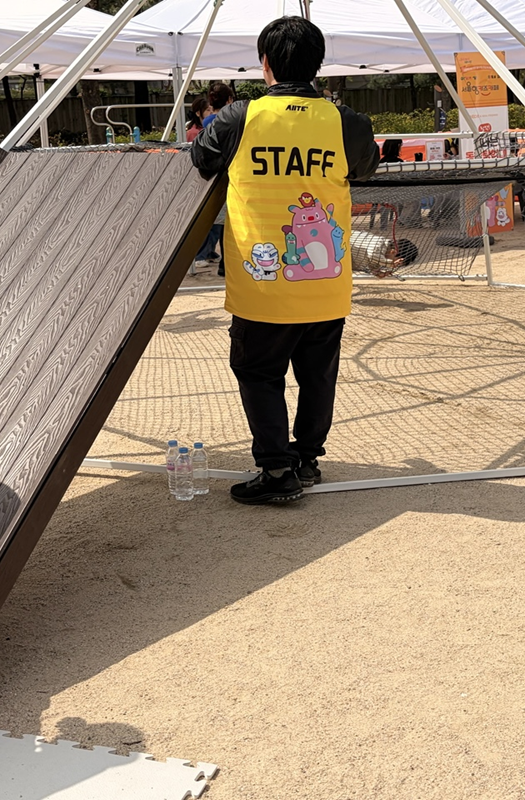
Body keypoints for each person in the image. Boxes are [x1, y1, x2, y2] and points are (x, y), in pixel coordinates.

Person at [191, 16, 380, 504]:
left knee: (259, 372)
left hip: (263, 283)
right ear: (318, 64)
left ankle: (277, 470)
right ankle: (308, 460)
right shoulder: (348, 123)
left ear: (265, 63)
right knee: (318, 374)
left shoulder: (238, 118)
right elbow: (366, 164)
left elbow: (201, 157)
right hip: (327, 280)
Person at [192, 83, 237, 276]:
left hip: (210, 180)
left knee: (215, 224)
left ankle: (209, 256)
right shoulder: (230, 122)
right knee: (227, 226)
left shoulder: (206, 122)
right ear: (229, 100)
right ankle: (224, 264)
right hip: (229, 180)